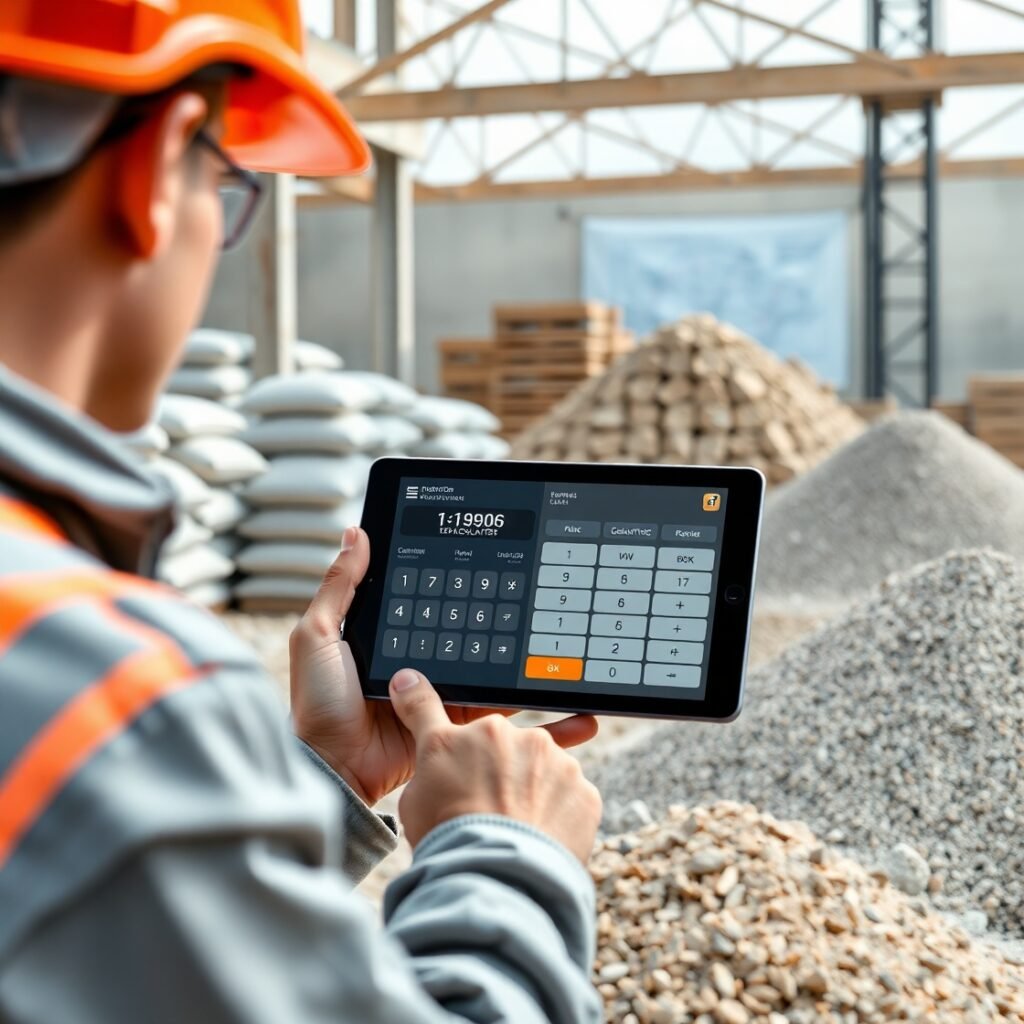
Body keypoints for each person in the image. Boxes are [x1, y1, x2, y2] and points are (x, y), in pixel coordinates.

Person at [0, 4, 604, 1022]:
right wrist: (509, 854)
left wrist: (311, 779)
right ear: (152, 174)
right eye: (228, 186)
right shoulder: (100, 690)